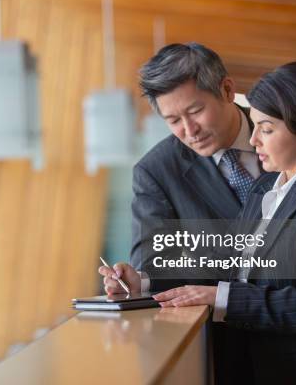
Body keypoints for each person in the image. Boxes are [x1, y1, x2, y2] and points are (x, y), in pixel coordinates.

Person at [152, 62, 296, 384]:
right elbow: (227, 263)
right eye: (253, 126)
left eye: (266, 129)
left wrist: (220, 298)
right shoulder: (266, 188)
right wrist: (141, 281)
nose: (252, 140)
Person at [99, 42, 260, 384]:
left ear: (228, 90)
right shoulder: (157, 170)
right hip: (230, 352)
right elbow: (157, 260)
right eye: (173, 120)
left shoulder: (282, 132)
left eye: (196, 111)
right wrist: (137, 280)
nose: (189, 130)